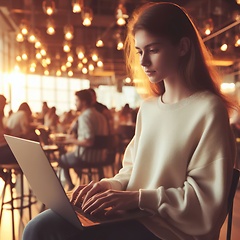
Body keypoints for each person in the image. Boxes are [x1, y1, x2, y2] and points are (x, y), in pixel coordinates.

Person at [22, 2, 236, 240]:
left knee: (46, 230)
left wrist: (138, 198)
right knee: (41, 225)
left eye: (153, 50)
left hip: (171, 232)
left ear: (183, 47)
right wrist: (108, 186)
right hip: (135, 217)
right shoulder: (148, 108)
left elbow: (205, 205)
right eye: (140, 51)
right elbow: (133, 171)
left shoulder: (208, 110)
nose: (144, 62)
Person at [58, 89, 108, 191]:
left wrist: (71, 141)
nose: (74, 103)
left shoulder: (85, 116)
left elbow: (89, 141)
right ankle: (83, 182)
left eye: (76, 100)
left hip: (87, 157)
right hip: (102, 157)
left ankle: (71, 186)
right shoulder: (100, 116)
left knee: (62, 159)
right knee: (71, 156)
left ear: (84, 102)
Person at [0, 94, 18, 181]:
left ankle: (6, 177)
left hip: (3, 148)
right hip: (2, 150)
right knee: (21, 153)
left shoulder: (2, 117)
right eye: (2, 104)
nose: (3, 107)